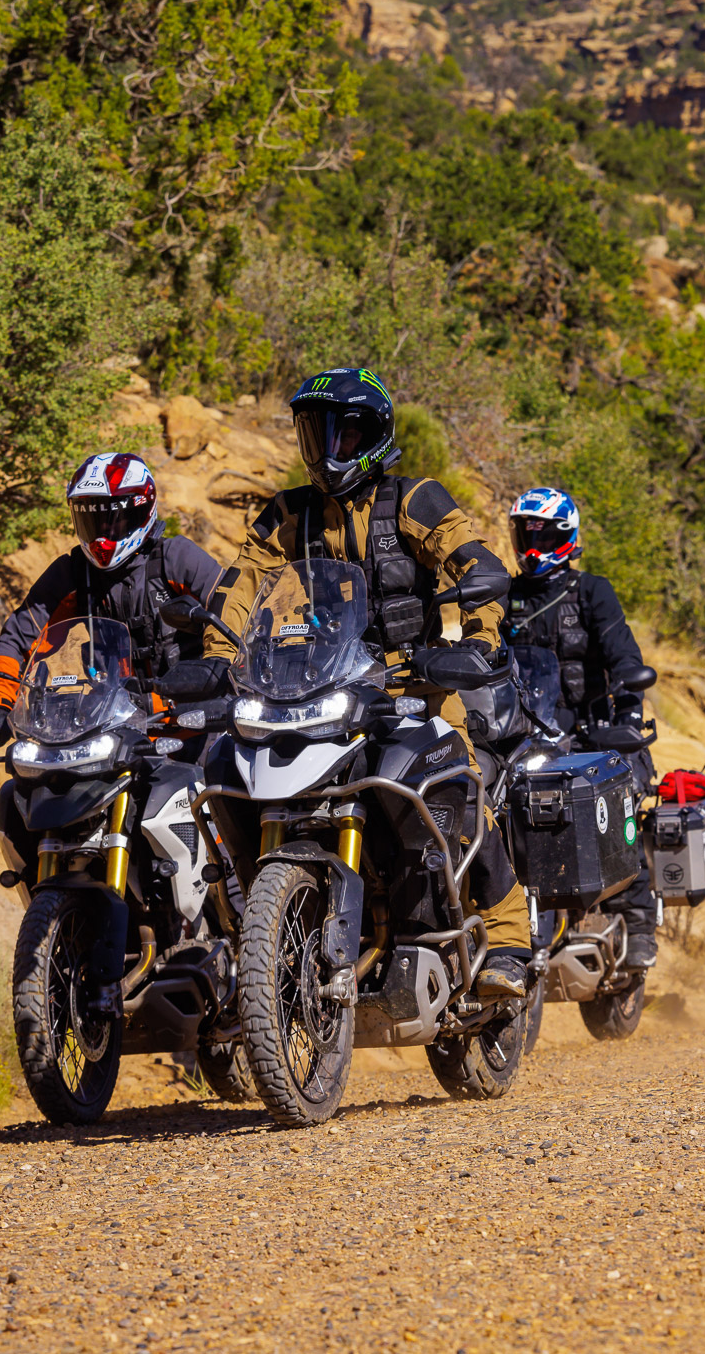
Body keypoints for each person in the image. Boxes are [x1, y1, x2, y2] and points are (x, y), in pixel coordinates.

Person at [202, 366, 530, 1000]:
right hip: (317, 689)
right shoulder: (287, 515)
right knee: (229, 769)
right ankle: (265, 934)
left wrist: (480, 641)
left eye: (344, 435)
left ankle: (509, 933)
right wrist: (219, 657)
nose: (328, 450)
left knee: (456, 776)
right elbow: (238, 586)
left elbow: (476, 563)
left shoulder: (414, 499)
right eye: (314, 433)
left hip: (413, 686)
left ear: (374, 436)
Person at [0, 452, 223, 751]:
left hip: (193, 726)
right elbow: (17, 639)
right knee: (23, 792)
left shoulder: (176, 558)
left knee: (231, 783)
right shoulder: (73, 572)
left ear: (141, 511)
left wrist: (215, 674)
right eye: (92, 519)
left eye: (113, 519)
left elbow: (233, 614)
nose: (102, 534)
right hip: (110, 732)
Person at [507, 485, 658, 968]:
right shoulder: (504, 597)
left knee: (622, 803)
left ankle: (637, 922)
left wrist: (628, 717)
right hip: (527, 731)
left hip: (591, 731)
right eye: (525, 532)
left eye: (543, 533)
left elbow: (625, 661)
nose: (532, 544)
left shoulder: (592, 591)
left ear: (566, 537)